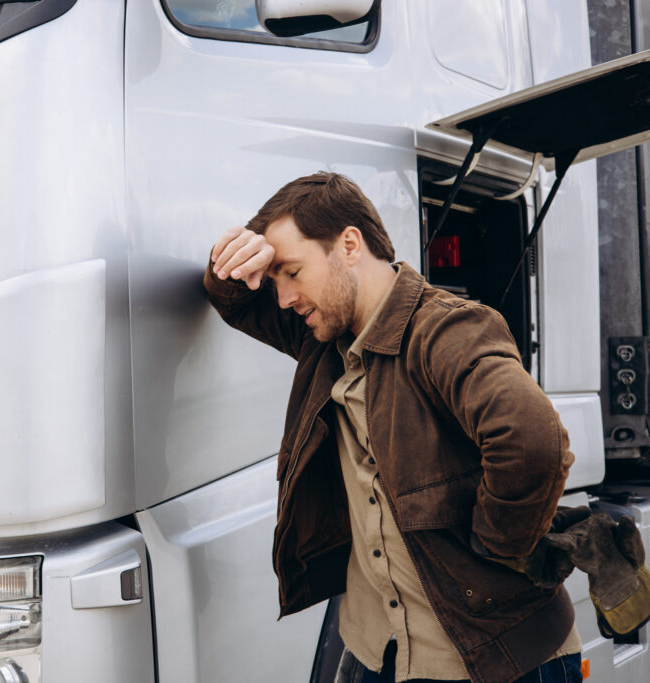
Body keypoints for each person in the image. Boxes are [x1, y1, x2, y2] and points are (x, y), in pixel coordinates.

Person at [203, 173, 582, 683]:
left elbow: (532, 443)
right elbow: (237, 302)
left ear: (349, 245)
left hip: (488, 660)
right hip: (375, 652)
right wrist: (234, 260)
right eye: (277, 281)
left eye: (292, 272)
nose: (285, 297)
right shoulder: (324, 339)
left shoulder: (447, 329)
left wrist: (493, 547)